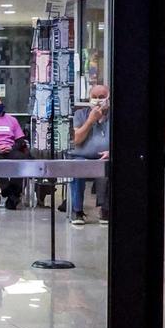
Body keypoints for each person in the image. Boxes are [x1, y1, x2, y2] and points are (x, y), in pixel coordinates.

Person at [69, 84, 110, 226]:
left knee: (108, 167)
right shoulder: (80, 115)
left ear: (109, 98)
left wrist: (111, 152)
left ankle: (105, 209)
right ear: (89, 99)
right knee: (78, 167)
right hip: (82, 157)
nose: (98, 101)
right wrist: (90, 121)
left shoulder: (115, 115)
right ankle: (77, 210)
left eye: (102, 97)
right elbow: (77, 139)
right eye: (94, 97)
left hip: (105, 157)